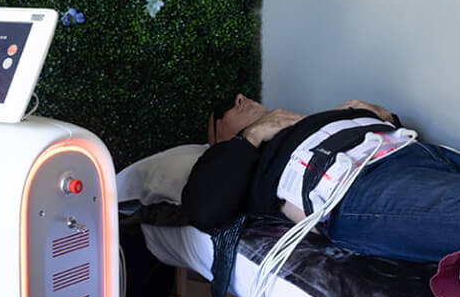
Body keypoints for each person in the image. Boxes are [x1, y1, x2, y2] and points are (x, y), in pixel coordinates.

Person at [181, 92, 460, 263]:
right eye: (224, 110)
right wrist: (248, 138)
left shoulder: (301, 124)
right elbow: (203, 209)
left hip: (420, 152)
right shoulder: (229, 160)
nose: (240, 97)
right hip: (355, 183)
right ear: (217, 142)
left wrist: (381, 115)